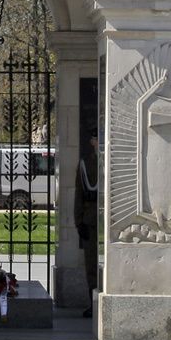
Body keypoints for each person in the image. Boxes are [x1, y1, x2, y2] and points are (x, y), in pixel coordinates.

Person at [74, 133, 100, 318]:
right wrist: (79, 221)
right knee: (91, 263)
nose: (98, 141)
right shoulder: (85, 163)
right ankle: (94, 303)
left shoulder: (112, 159)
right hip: (90, 220)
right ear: (91, 142)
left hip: (109, 220)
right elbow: (79, 194)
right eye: (96, 138)